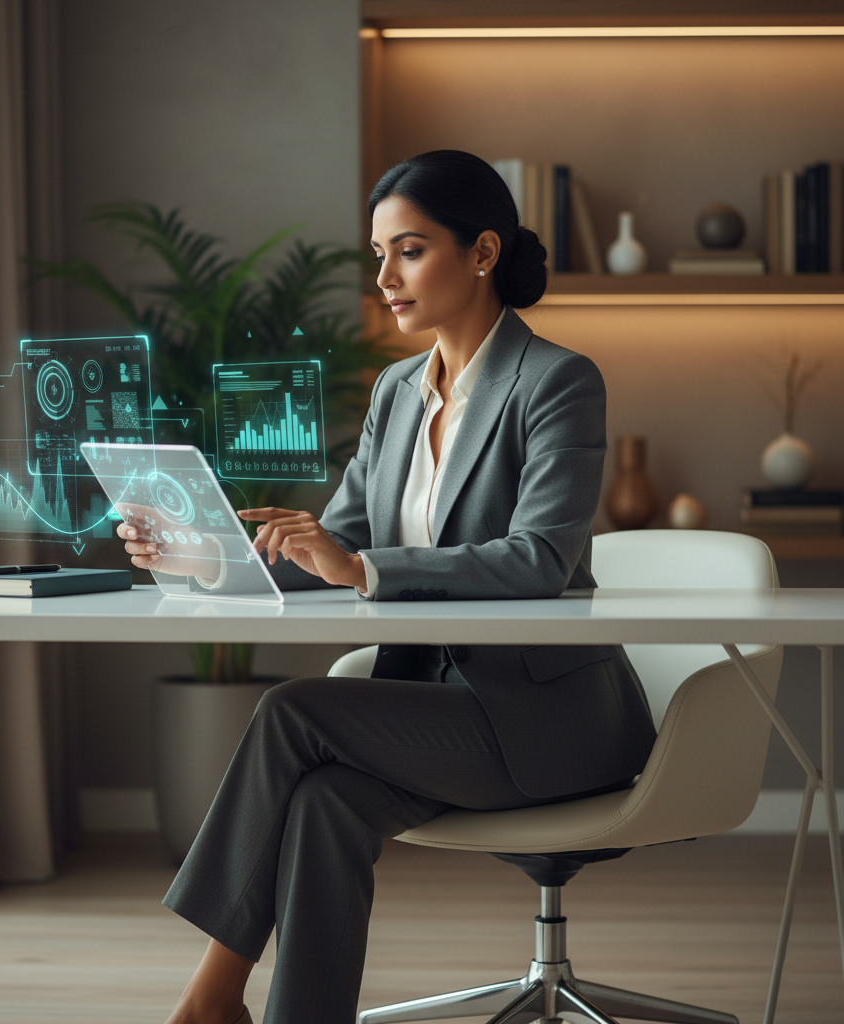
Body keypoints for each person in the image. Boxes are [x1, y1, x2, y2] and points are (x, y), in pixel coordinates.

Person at [117, 150, 657, 1024]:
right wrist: (201, 556)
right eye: (379, 255)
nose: (385, 279)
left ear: (482, 253)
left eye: (409, 250)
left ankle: (208, 998)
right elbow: (334, 547)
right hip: (432, 711)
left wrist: (362, 569)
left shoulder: (557, 382)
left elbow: (539, 560)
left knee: (291, 710)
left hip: (545, 723)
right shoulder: (397, 390)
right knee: (324, 803)